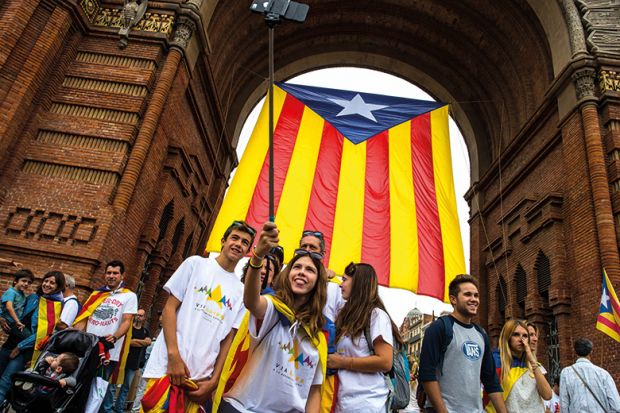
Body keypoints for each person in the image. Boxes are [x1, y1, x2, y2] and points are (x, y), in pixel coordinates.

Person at [141, 220, 256, 411]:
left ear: (248, 251)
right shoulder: (195, 264)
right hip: (167, 370)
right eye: (234, 238)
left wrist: (214, 381)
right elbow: (169, 309)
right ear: (223, 241)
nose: (238, 244)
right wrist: (173, 356)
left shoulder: (241, 292)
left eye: (245, 242)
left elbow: (228, 340)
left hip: (200, 382)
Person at [217, 222, 327, 413]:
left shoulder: (318, 338)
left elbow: (314, 391)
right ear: (288, 274)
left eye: (310, 270)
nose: (302, 271)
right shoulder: (273, 309)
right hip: (242, 409)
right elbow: (252, 301)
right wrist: (258, 257)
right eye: (297, 267)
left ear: (318, 282)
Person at [419, 274, 506, 413]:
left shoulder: (481, 334)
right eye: (467, 295)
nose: (474, 299)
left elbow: (490, 380)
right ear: (453, 299)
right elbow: (426, 374)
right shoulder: (439, 328)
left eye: (476, 295)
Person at [326, 262, 402, 412]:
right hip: (342, 403)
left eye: (345, 280)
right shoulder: (345, 316)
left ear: (358, 283)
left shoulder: (376, 316)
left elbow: (385, 361)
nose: (341, 285)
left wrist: (342, 362)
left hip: (367, 403)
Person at [73, 260, 138, 413]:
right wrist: (76, 336)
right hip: (88, 347)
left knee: (98, 388)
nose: (111, 276)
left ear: (122, 275)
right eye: (108, 273)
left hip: (109, 351)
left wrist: (115, 337)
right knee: (79, 382)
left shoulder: (129, 296)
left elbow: (127, 321)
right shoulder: (97, 295)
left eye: (115, 273)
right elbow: (84, 319)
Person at [0, 270, 65, 403]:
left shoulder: (55, 307)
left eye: (52, 283)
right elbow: (13, 311)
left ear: (58, 287)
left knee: (5, 382)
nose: (47, 284)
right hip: (10, 342)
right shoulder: (33, 298)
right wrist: (1, 318)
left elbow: (42, 334)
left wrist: (20, 347)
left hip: (24, 350)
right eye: (46, 281)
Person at [487, 319, 551, 412]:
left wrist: (532, 361)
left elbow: (547, 395)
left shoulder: (535, 365)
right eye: (516, 334)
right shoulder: (496, 361)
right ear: (507, 337)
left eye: (525, 336)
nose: (521, 339)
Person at [559, 337, 620, 412]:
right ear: (591, 351)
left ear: (575, 352)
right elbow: (616, 405)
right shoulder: (603, 374)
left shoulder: (566, 373)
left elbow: (564, 404)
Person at [113, 308, 150, 413]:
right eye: (137, 315)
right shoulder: (129, 328)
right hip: (123, 360)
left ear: (144, 318)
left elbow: (148, 342)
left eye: (141, 315)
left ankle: (119, 408)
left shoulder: (145, 331)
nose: (138, 317)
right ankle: (110, 405)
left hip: (134, 362)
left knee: (126, 387)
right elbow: (128, 342)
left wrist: (135, 341)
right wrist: (140, 342)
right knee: (115, 384)